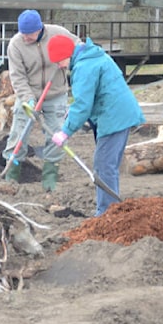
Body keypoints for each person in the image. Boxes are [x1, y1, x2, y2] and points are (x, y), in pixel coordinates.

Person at [48, 34, 145, 217]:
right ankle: (111, 210)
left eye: (59, 61)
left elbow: (83, 106)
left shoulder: (84, 67)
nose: (59, 66)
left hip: (114, 116)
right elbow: (89, 98)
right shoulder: (90, 57)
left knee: (103, 165)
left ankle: (107, 214)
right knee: (107, 165)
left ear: (67, 54)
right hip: (117, 113)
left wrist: (65, 132)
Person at [2, 9, 81, 191]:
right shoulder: (16, 45)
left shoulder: (58, 33)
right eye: (23, 34)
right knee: (19, 133)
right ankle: (11, 178)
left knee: (56, 135)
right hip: (29, 94)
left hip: (56, 94)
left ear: (40, 30)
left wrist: (68, 59)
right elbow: (17, 76)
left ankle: (49, 182)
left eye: (30, 35)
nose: (26, 38)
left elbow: (79, 47)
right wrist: (28, 99)